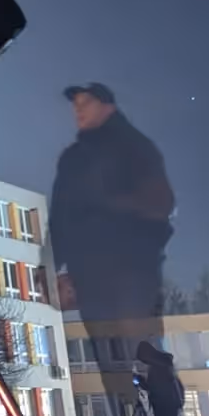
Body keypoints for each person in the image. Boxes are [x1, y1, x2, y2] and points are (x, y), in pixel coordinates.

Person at [50, 83, 175, 322]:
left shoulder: (135, 147)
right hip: (88, 277)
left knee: (136, 336)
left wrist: (108, 207)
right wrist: (50, 266)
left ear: (108, 107)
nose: (78, 110)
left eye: (87, 102)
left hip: (131, 271)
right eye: (76, 105)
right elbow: (60, 216)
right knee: (106, 339)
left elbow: (162, 203)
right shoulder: (72, 159)